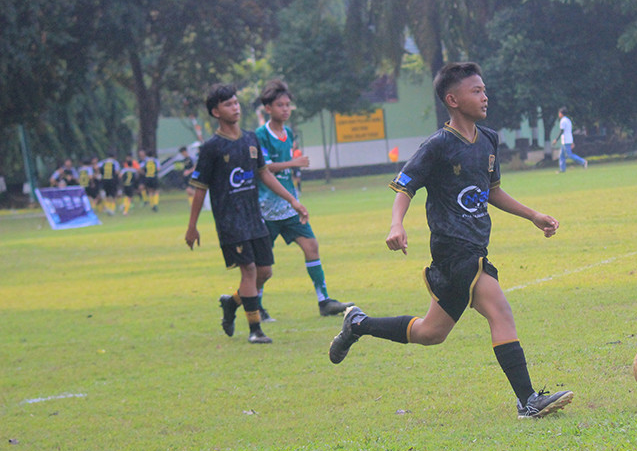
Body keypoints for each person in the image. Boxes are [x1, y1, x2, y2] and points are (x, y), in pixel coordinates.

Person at [328, 62, 573, 419]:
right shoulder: (438, 146)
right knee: (500, 310)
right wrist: (396, 224)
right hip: (454, 249)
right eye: (476, 91)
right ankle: (527, 400)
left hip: (473, 248)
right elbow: (404, 187)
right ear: (453, 99)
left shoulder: (488, 139)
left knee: (431, 332)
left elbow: (491, 192)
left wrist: (532, 215)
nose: (485, 96)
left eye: (484, 90)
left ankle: (358, 324)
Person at [185, 83, 309, 344]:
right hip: (231, 220)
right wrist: (192, 226)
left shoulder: (251, 139)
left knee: (265, 272)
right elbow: (199, 189)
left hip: (255, 217)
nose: (235, 107)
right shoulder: (212, 148)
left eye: (236, 102)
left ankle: (232, 303)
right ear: (216, 112)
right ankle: (255, 329)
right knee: (249, 271)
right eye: (229, 104)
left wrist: (293, 201)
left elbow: (264, 174)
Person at [254, 79, 352, 320]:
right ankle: (253, 304)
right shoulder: (260, 135)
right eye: (280, 105)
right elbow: (264, 169)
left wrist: (294, 198)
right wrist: (293, 163)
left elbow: (283, 173)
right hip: (266, 209)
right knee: (263, 267)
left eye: (288, 105)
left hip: (289, 207)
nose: (285, 109)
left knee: (311, 246)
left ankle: (324, 301)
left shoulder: (287, 132)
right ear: (268, 108)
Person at [550, 107, 587, 172]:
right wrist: (572, 141)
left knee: (569, 155)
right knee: (562, 156)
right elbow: (569, 131)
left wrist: (556, 139)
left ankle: (583, 161)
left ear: (561, 113)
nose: (558, 114)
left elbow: (562, 131)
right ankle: (562, 169)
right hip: (568, 139)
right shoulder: (568, 120)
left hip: (566, 140)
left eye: (559, 113)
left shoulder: (563, 121)